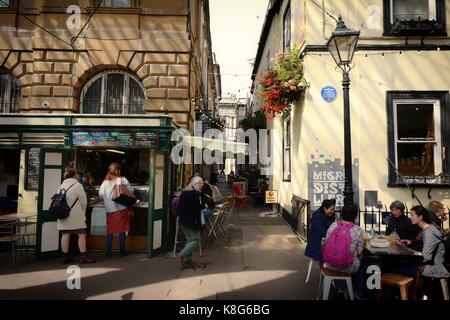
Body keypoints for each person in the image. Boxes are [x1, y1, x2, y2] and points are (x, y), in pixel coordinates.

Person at [402, 206, 449, 300]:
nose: (410, 217)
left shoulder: (429, 232)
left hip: (434, 274)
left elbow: (425, 257)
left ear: (420, 217)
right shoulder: (428, 229)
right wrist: (411, 242)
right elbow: (425, 244)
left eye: (412, 215)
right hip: (430, 271)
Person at [323, 203, 365, 298]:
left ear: (342, 213)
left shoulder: (333, 225)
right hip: (346, 266)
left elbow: (326, 242)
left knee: (345, 260)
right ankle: (357, 292)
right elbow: (359, 252)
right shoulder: (357, 230)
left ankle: (340, 286)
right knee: (360, 262)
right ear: (355, 215)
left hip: (329, 264)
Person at [57, 166, 96, 264]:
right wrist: (82, 211)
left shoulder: (61, 186)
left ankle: (65, 257)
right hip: (76, 216)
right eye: (77, 174)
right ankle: (83, 256)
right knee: (81, 234)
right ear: (74, 175)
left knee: (65, 234)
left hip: (64, 215)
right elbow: (84, 202)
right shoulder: (78, 186)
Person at [99, 162, 134, 257]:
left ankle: (108, 250)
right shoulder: (122, 180)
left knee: (110, 231)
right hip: (121, 209)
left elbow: (101, 195)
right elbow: (131, 191)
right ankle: (122, 250)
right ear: (118, 170)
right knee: (122, 230)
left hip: (109, 210)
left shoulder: (105, 183)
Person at [176, 176, 206, 268]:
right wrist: (203, 206)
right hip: (191, 221)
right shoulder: (195, 194)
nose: (202, 185)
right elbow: (195, 208)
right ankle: (181, 255)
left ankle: (188, 261)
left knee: (190, 240)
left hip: (183, 220)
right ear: (194, 184)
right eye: (200, 183)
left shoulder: (184, 192)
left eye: (202, 183)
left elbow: (181, 206)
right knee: (196, 240)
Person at [304, 199, 336, 263]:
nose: (333, 211)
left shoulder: (329, 216)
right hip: (316, 245)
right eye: (331, 209)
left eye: (333, 209)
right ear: (325, 208)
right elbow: (322, 232)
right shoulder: (317, 218)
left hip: (323, 241)